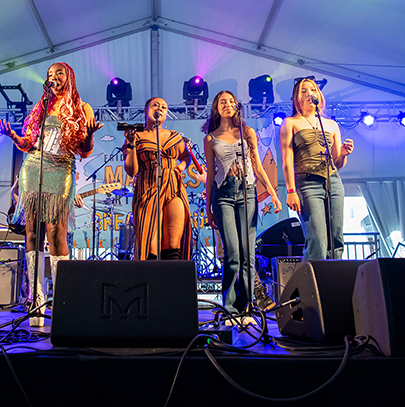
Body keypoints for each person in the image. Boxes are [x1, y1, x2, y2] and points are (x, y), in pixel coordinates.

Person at [0, 62, 102, 327]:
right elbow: (27, 144)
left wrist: (88, 134)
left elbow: (85, 151)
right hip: (33, 167)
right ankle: (36, 298)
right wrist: (11, 135)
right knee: (33, 233)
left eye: (59, 73)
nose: (53, 78)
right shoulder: (40, 107)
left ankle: (63, 297)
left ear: (70, 76)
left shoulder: (82, 108)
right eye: (50, 75)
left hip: (61, 168)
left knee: (56, 232)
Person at [203, 91, 282, 320]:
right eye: (222, 102)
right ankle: (229, 308)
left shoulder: (247, 133)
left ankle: (246, 306)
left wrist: (273, 195)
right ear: (216, 109)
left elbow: (257, 166)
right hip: (223, 195)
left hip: (247, 192)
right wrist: (208, 206)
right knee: (233, 253)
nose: (227, 105)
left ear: (237, 106)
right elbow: (210, 175)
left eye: (230, 101)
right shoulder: (211, 138)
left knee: (248, 254)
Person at [280, 78, 354, 260]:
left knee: (336, 236)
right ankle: (313, 284)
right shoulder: (290, 123)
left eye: (312, 90)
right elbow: (287, 160)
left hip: (333, 181)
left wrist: (343, 154)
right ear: (296, 98)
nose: (309, 94)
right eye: (303, 91)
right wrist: (291, 191)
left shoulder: (331, 124)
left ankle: (335, 281)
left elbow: (338, 163)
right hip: (307, 181)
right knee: (317, 238)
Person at [123, 97, 192, 260]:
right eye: (155, 105)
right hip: (147, 187)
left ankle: (172, 284)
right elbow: (132, 171)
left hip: (173, 187)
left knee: (173, 242)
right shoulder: (136, 136)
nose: (159, 108)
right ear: (146, 110)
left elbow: (186, 157)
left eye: (163, 107)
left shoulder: (174, 136)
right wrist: (132, 145)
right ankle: (151, 283)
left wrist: (180, 167)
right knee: (149, 244)